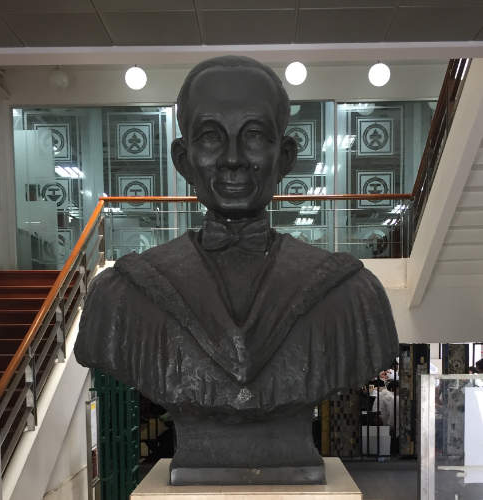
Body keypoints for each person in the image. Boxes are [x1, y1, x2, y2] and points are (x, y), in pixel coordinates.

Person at [74, 56, 398, 485]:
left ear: (284, 157)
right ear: (182, 159)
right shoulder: (119, 298)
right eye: (210, 137)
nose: (232, 159)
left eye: (255, 135)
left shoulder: (354, 296)